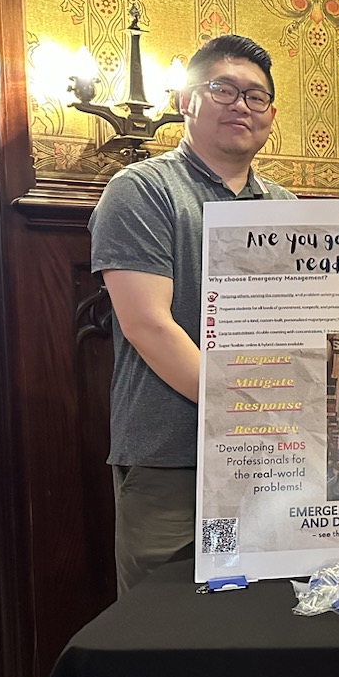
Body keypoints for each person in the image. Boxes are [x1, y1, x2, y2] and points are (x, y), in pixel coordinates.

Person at [89, 33, 295, 594]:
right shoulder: (141, 190)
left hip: (274, 457)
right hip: (172, 453)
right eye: (223, 88)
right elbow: (147, 325)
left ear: (270, 116)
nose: (240, 104)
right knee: (162, 618)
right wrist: (251, 409)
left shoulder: (288, 208)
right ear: (186, 100)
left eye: (256, 97)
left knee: (263, 615)